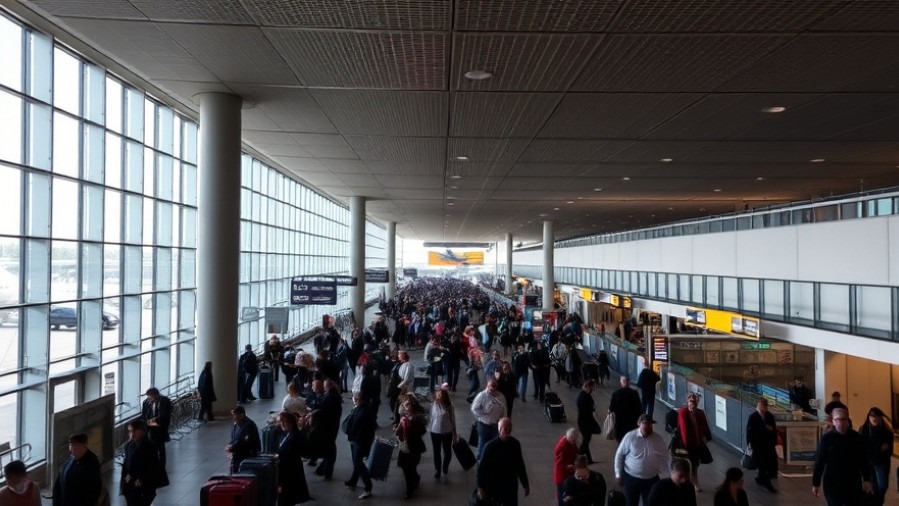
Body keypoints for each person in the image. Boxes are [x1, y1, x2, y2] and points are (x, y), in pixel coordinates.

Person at [812, 407, 873, 505]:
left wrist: (867, 479)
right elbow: (820, 461)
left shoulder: (855, 437)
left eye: (843, 419)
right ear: (833, 421)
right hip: (833, 481)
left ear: (848, 420)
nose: (840, 422)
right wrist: (816, 483)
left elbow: (863, 459)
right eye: (837, 419)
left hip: (852, 480)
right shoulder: (827, 439)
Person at [614, 414, 669, 506]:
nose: (648, 426)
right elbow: (619, 455)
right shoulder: (630, 437)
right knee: (631, 503)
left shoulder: (658, 439)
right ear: (639, 423)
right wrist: (618, 474)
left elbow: (666, 456)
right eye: (645, 423)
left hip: (651, 480)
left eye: (650, 424)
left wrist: (671, 474)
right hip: (631, 478)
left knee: (650, 503)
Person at [477, 417, 530, 506]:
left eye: (509, 428)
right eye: (505, 428)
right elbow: (482, 468)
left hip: (510, 486)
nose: (508, 431)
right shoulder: (490, 446)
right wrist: (480, 487)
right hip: (495, 486)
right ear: (499, 430)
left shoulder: (515, 444)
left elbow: (520, 465)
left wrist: (525, 484)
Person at [120, 419, 167, 506]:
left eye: (134, 430)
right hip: (130, 484)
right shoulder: (128, 446)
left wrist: (141, 479)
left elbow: (153, 468)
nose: (132, 434)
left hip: (144, 486)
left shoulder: (149, 447)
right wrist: (126, 477)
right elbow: (127, 464)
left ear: (142, 431)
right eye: (130, 431)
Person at [53, 432, 102, 506]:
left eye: (74, 445)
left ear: (84, 446)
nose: (71, 448)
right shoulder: (71, 458)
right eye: (70, 445)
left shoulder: (91, 463)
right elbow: (59, 481)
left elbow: (94, 490)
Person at [344, 392, 377, 500]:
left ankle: (368, 486)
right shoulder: (359, 408)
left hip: (360, 441)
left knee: (358, 462)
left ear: (359, 399)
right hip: (355, 439)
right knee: (356, 462)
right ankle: (353, 481)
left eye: (354, 398)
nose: (353, 400)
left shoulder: (365, 411)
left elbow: (363, 427)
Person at [275, 411, 312, 505]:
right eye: (281, 421)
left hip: (292, 470)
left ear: (291, 423)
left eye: (284, 421)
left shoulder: (297, 436)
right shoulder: (283, 434)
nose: (282, 424)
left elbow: (305, 452)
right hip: (283, 469)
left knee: (288, 496)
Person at [677, 393, 712, 492]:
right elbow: (683, 430)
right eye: (691, 400)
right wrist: (685, 445)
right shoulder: (683, 412)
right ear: (687, 402)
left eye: (694, 401)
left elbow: (705, 426)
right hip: (686, 444)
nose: (693, 402)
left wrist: (706, 437)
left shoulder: (700, 413)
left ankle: (693, 482)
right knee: (686, 464)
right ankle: (687, 482)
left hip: (697, 444)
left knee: (695, 465)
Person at [395, 395, 428, 499]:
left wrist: (411, 427)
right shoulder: (404, 417)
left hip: (414, 446)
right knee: (405, 467)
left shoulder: (416, 417)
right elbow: (399, 432)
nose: (406, 406)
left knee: (410, 467)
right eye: (405, 404)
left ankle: (409, 490)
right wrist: (398, 428)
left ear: (412, 405)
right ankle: (415, 478)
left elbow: (422, 431)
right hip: (405, 446)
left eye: (408, 404)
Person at [859, 407, 892, 505]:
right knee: (872, 486)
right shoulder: (864, 430)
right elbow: (862, 447)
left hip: (881, 462)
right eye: (872, 416)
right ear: (868, 417)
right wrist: (879, 448)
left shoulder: (886, 431)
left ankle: (876, 502)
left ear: (880, 417)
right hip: (868, 462)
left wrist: (887, 447)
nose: (874, 418)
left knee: (882, 486)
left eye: (876, 416)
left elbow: (889, 449)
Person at [746, 398, 778, 493]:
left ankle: (761, 479)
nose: (762, 407)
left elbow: (774, 430)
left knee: (771, 465)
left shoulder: (769, 416)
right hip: (758, 445)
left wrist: (772, 436)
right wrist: (750, 442)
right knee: (762, 464)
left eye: (763, 406)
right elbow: (749, 430)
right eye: (760, 405)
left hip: (768, 445)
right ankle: (766, 482)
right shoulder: (754, 416)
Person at [471, 377, 507, 460]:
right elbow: (474, 408)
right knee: (482, 443)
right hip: (484, 425)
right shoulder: (482, 395)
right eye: (490, 386)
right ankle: (480, 460)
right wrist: (483, 413)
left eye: (494, 387)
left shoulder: (500, 396)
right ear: (487, 386)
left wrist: (503, 420)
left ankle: (491, 460)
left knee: (494, 444)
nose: (492, 389)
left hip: (495, 425)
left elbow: (504, 409)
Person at [429, 387, 457, 479]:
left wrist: (454, 433)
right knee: (436, 452)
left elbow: (453, 420)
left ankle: (445, 466)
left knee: (447, 452)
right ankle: (438, 470)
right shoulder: (433, 405)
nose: (439, 397)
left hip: (447, 432)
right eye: (438, 395)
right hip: (435, 431)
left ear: (445, 396)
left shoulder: (449, 406)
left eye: (441, 395)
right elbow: (431, 418)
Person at [141, 387, 172, 468]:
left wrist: (154, 420)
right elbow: (144, 415)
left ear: (156, 395)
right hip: (150, 429)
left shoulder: (164, 401)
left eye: (150, 397)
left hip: (160, 429)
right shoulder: (146, 402)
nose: (149, 399)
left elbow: (164, 416)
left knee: (161, 448)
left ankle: (161, 466)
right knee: (151, 448)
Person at [226, 405, 261, 473]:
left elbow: (245, 442)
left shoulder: (249, 425)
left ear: (241, 415)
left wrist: (232, 447)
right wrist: (230, 445)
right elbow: (234, 438)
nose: (234, 417)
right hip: (237, 452)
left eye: (235, 415)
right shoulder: (236, 424)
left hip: (247, 453)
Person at [609, 375, 643, 443]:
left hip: (620, 422)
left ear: (620, 382)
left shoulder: (616, 394)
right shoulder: (634, 393)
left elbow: (611, 408)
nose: (625, 382)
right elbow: (639, 408)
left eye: (625, 380)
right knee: (631, 440)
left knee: (621, 440)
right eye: (625, 380)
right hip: (632, 422)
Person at [576, 379, 602, 464]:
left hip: (585, 421)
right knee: (586, 440)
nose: (593, 389)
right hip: (584, 422)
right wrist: (592, 408)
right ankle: (578, 455)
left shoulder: (585, 395)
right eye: (592, 387)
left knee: (586, 440)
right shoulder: (583, 396)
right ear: (588, 387)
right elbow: (586, 409)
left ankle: (589, 460)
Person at [554, 428, 581, 506]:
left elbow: (575, 450)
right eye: (575, 439)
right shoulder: (562, 447)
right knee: (562, 497)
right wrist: (569, 467)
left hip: (568, 474)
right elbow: (559, 465)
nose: (575, 441)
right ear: (571, 438)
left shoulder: (570, 442)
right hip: (562, 476)